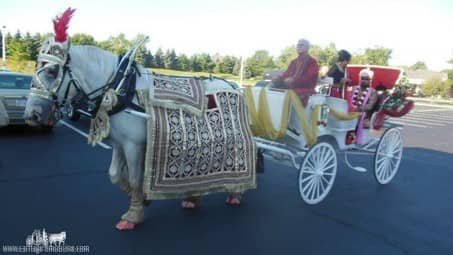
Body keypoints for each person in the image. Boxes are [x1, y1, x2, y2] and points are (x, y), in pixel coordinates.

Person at [272, 39, 319, 106]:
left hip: (305, 89)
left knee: (286, 93)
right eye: (298, 45)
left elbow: (309, 79)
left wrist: (293, 80)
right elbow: (286, 74)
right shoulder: (293, 62)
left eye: (301, 45)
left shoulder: (312, 62)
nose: (299, 46)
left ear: (307, 48)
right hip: (291, 88)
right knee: (273, 88)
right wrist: (278, 78)